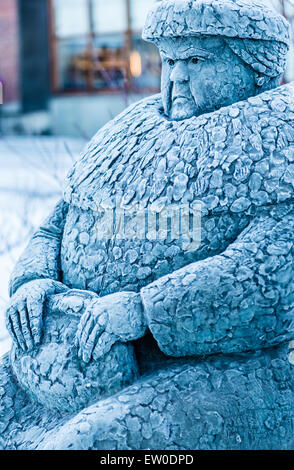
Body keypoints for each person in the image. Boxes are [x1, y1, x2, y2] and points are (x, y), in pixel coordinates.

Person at [1, 0, 294, 450]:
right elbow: (56, 224)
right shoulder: (129, 131)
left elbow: (267, 273)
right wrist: (33, 280)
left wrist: (144, 310)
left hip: (212, 372)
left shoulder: (276, 145)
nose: (176, 77)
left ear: (258, 69)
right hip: (65, 353)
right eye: (170, 60)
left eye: (197, 60)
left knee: (88, 443)